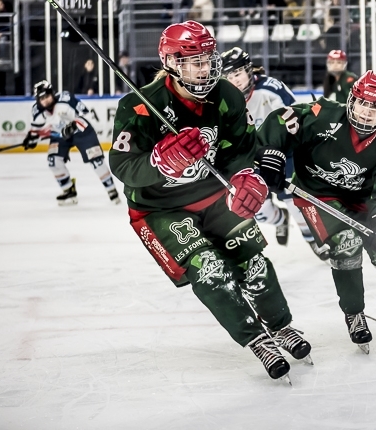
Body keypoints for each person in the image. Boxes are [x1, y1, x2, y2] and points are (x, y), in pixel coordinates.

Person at [109, 21, 312, 382]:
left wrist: (245, 176)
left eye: (208, 60)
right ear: (171, 62)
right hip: (160, 209)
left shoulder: (227, 96)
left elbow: (241, 149)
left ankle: (281, 326)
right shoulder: (140, 106)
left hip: (214, 196)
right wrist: (157, 161)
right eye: (195, 62)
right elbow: (123, 166)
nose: (205, 69)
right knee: (210, 270)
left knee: (253, 263)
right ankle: (256, 339)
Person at [256, 70, 376, 354]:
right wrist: (272, 154)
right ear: (351, 100)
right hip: (317, 196)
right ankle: (354, 313)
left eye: (375, 107)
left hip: (363, 200)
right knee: (345, 245)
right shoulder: (322, 114)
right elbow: (282, 119)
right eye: (363, 103)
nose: (367, 112)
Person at [221, 46, 330, 261]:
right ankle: (280, 220)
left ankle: (312, 238)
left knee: (294, 198)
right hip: (250, 159)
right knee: (256, 208)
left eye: (238, 73)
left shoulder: (270, 88)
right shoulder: (224, 100)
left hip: (282, 153)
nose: (235, 80)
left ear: (249, 70)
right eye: (229, 76)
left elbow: (297, 116)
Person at [22, 80, 121, 206]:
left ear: (52, 93)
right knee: (53, 161)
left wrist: (74, 125)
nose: (45, 100)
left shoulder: (66, 99)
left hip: (82, 132)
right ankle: (69, 190)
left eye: (47, 96)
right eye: (42, 99)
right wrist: (31, 139)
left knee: (96, 160)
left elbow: (86, 113)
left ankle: (111, 188)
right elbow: (35, 130)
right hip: (60, 136)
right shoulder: (37, 110)